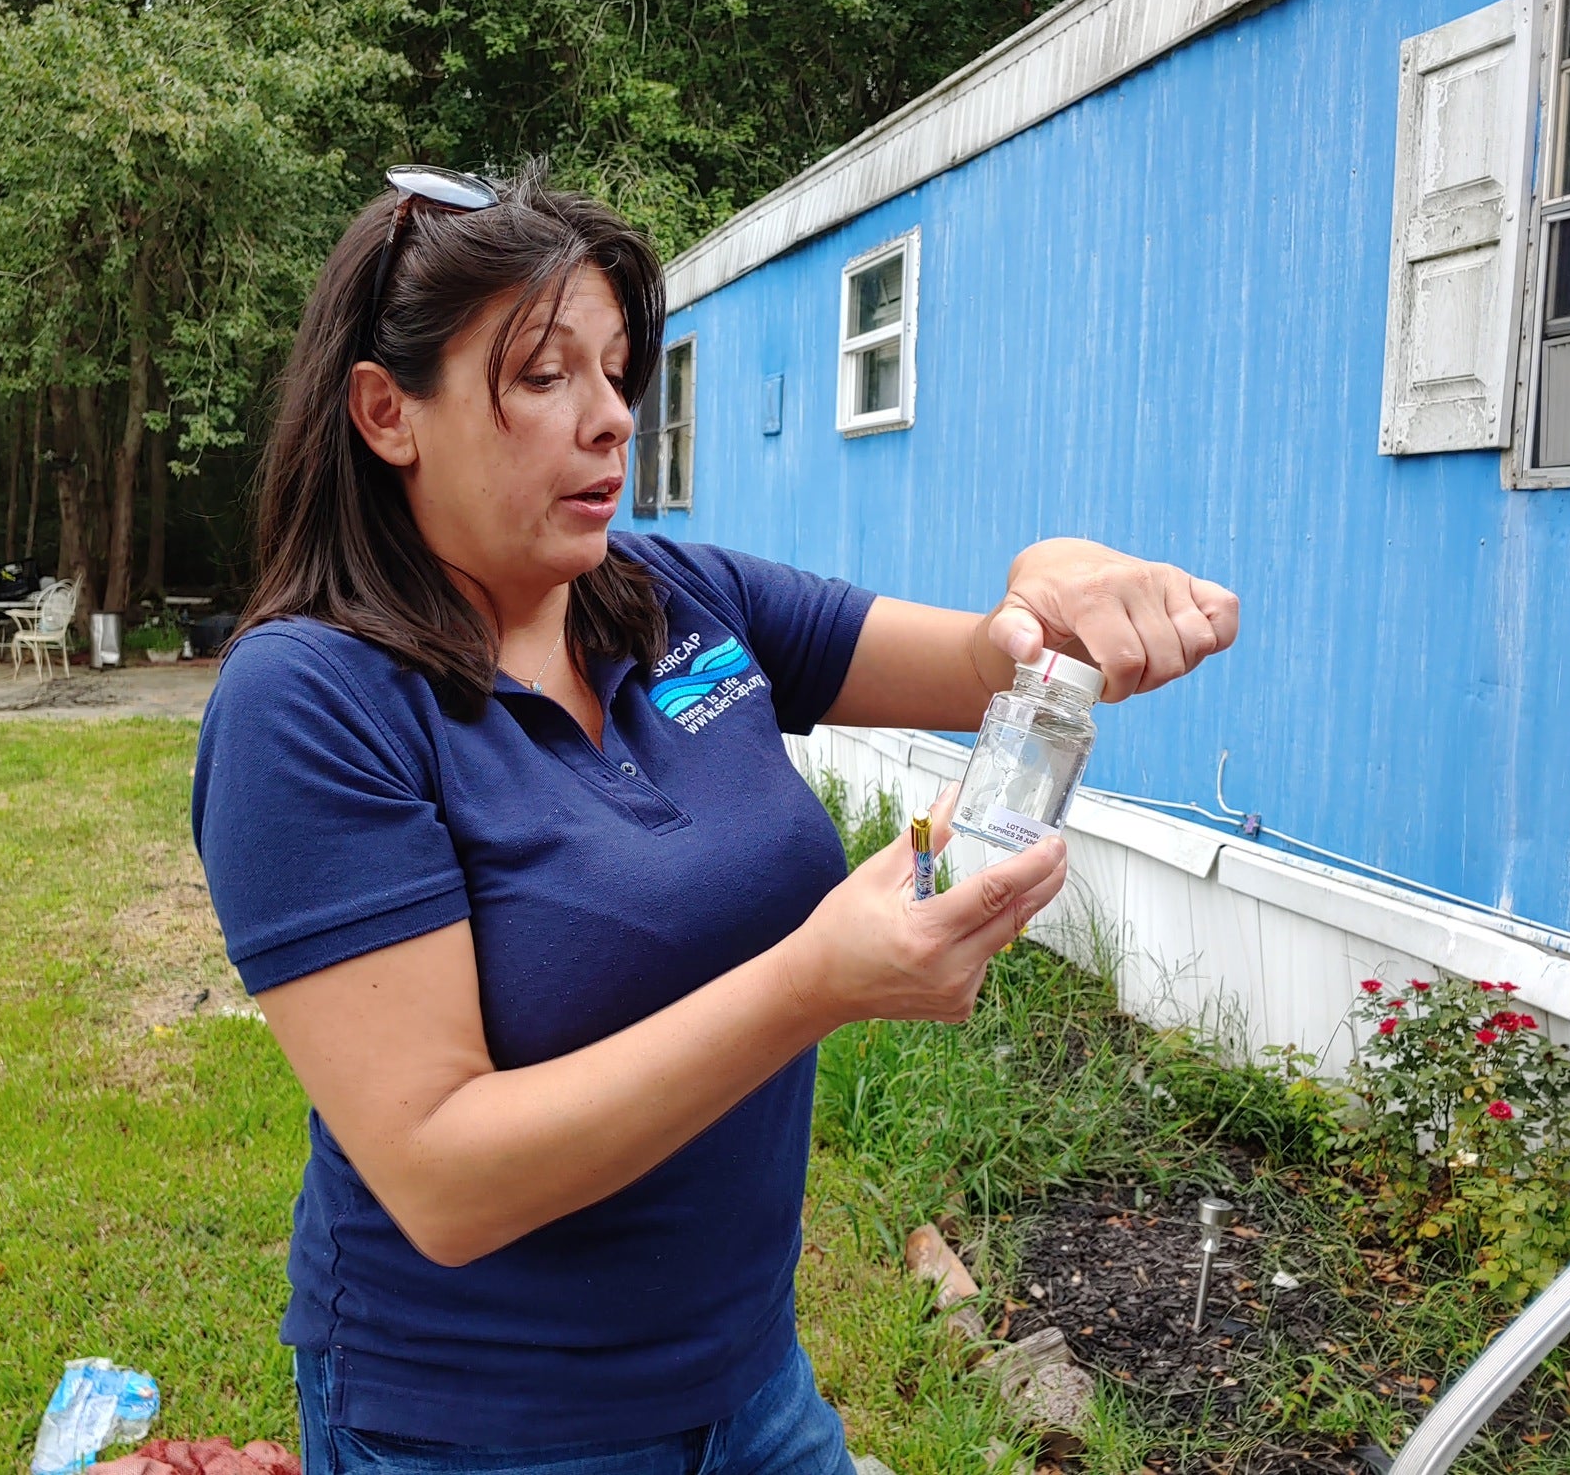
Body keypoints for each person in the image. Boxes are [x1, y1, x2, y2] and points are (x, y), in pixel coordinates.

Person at [192, 163, 1238, 1475]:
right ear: (386, 411)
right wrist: (810, 985)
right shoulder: (313, 701)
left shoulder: (671, 595)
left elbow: (985, 654)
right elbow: (442, 1180)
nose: (612, 418)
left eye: (621, 372)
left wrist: (1050, 588)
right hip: (487, 1429)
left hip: (753, 1389)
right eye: (543, 375)